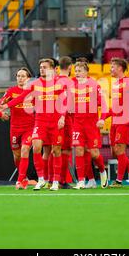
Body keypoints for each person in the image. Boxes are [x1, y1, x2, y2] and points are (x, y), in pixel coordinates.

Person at [0, 58, 67, 191]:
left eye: (45, 67)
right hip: (40, 121)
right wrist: (6, 105)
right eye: (40, 67)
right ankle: (41, 179)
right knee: (36, 147)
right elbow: (21, 97)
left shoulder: (59, 83)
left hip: (55, 121)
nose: (42, 69)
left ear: (52, 69)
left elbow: (64, 101)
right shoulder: (35, 84)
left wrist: (62, 117)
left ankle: (55, 181)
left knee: (56, 150)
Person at [98, 58, 129, 188]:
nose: (110, 69)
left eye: (112, 67)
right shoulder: (115, 85)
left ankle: (118, 181)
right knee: (115, 151)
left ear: (120, 68)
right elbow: (114, 108)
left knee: (119, 150)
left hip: (125, 122)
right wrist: (103, 117)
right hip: (114, 122)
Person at [72, 58, 108, 189]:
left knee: (93, 153)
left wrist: (102, 118)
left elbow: (104, 104)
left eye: (80, 71)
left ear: (86, 72)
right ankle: (81, 180)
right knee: (79, 150)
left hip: (91, 123)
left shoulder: (94, 85)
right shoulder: (73, 86)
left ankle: (103, 171)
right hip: (77, 122)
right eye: (75, 71)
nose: (77, 73)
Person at [0, 67, 35, 190]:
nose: (20, 78)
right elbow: (1, 103)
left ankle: (19, 180)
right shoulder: (11, 91)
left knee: (25, 150)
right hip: (15, 127)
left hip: (30, 127)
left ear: (28, 78)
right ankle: (23, 177)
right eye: (18, 76)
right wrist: (1, 112)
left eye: (23, 76)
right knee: (17, 155)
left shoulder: (32, 91)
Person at [55, 56, 75, 189]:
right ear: (70, 67)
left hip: (50, 118)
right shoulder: (69, 82)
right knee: (66, 150)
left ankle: (50, 179)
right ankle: (61, 180)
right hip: (65, 119)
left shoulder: (52, 80)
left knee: (53, 150)